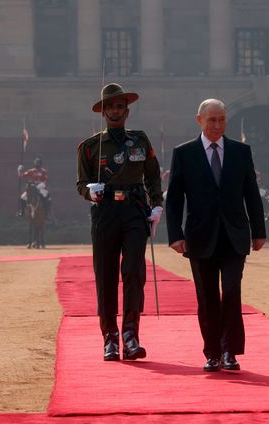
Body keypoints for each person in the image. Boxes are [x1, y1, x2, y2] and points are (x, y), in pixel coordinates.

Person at [166, 99, 266, 372]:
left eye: (221, 119)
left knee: (232, 292)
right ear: (199, 120)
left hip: (234, 234)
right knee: (207, 296)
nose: (217, 125)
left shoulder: (240, 151)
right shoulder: (184, 153)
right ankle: (212, 352)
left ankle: (230, 350)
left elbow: (251, 194)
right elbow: (174, 197)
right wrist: (175, 235)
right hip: (200, 236)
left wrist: (259, 231)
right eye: (212, 120)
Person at [76, 83, 163, 362]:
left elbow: (152, 175)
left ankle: (130, 334)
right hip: (105, 213)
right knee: (106, 275)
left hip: (134, 211)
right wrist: (90, 191)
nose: (115, 111)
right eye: (110, 106)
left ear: (127, 110)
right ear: (103, 112)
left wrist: (157, 204)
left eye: (119, 106)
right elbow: (80, 183)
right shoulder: (90, 147)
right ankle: (109, 337)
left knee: (134, 272)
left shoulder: (140, 141)